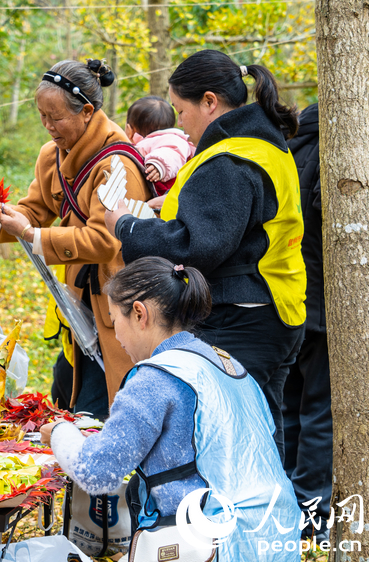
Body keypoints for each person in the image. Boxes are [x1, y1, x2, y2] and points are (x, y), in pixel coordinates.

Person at [105, 49, 306, 460]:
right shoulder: (265, 146)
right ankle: (275, 502)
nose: (179, 123)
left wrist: (126, 225)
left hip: (241, 318)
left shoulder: (229, 160)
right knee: (262, 432)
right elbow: (240, 225)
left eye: (181, 111)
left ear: (209, 102)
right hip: (276, 308)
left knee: (233, 443)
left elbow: (197, 247)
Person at [40, 257, 299, 560]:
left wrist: (60, 431)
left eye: (113, 320)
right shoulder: (225, 363)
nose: (115, 336)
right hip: (275, 534)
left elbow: (96, 471)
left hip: (213, 543)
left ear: (139, 314)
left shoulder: (155, 378)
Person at [0, 59, 151, 418]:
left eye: (55, 117)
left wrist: (30, 233)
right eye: (42, 116)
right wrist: (2, 218)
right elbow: (35, 209)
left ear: (86, 112)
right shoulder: (51, 156)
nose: (47, 126)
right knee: (70, 395)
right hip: (77, 305)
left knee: (108, 405)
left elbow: (106, 241)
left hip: (118, 303)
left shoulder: (116, 165)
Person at [281, 50, 369, 537]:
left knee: (289, 409)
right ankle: (309, 520)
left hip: (287, 300)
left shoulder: (292, 142)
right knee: (319, 414)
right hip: (328, 304)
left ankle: (282, 509)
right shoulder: (363, 146)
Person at [125, 95, 195, 198]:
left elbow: (172, 153)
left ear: (129, 130)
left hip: (167, 192)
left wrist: (159, 164)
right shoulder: (147, 143)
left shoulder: (172, 139)